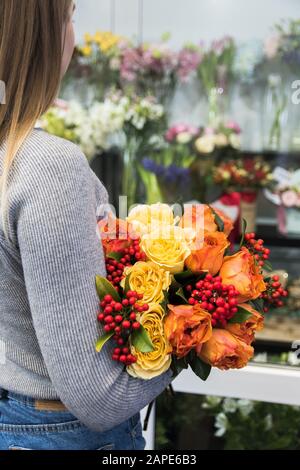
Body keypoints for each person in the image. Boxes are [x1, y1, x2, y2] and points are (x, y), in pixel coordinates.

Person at [0, 0, 172, 451]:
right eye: (70, 16)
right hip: (60, 434)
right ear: (39, 37)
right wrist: (205, 331)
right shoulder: (45, 166)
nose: (73, 35)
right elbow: (100, 398)